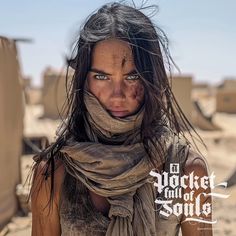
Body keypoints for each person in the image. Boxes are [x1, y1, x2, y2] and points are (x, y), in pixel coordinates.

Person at [30, 2, 212, 236]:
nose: (117, 95)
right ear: (84, 80)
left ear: (151, 80)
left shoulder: (185, 171)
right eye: (102, 76)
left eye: (132, 76)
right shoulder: (54, 173)